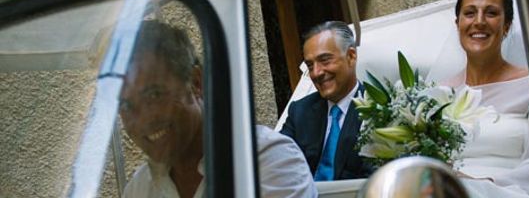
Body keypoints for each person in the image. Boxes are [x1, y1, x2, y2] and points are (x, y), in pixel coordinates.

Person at [119, 20, 317, 198]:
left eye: (154, 95)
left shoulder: (266, 161)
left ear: (196, 83)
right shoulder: (139, 188)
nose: (142, 119)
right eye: (125, 105)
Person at [438, 0, 529, 197]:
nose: (479, 22)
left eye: (491, 13)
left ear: (507, 26)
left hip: (513, 190)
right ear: (458, 24)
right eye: (470, 13)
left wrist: (484, 184)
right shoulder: (440, 91)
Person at [281, 21, 372, 181]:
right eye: (310, 65)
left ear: (351, 56)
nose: (316, 73)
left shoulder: (378, 109)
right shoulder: (300, 111)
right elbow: (278, 163)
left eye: (325, 60)